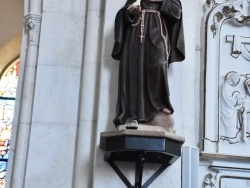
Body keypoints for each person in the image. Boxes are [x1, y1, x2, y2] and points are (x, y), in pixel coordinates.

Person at [111, 0, 185, 127]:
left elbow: (177, 13)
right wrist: (130, 12)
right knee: (133, 70)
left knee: (158, 63)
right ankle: (131, 114)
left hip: (157, 30)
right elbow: (122, 15)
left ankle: (160, 105)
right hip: (135, 32)